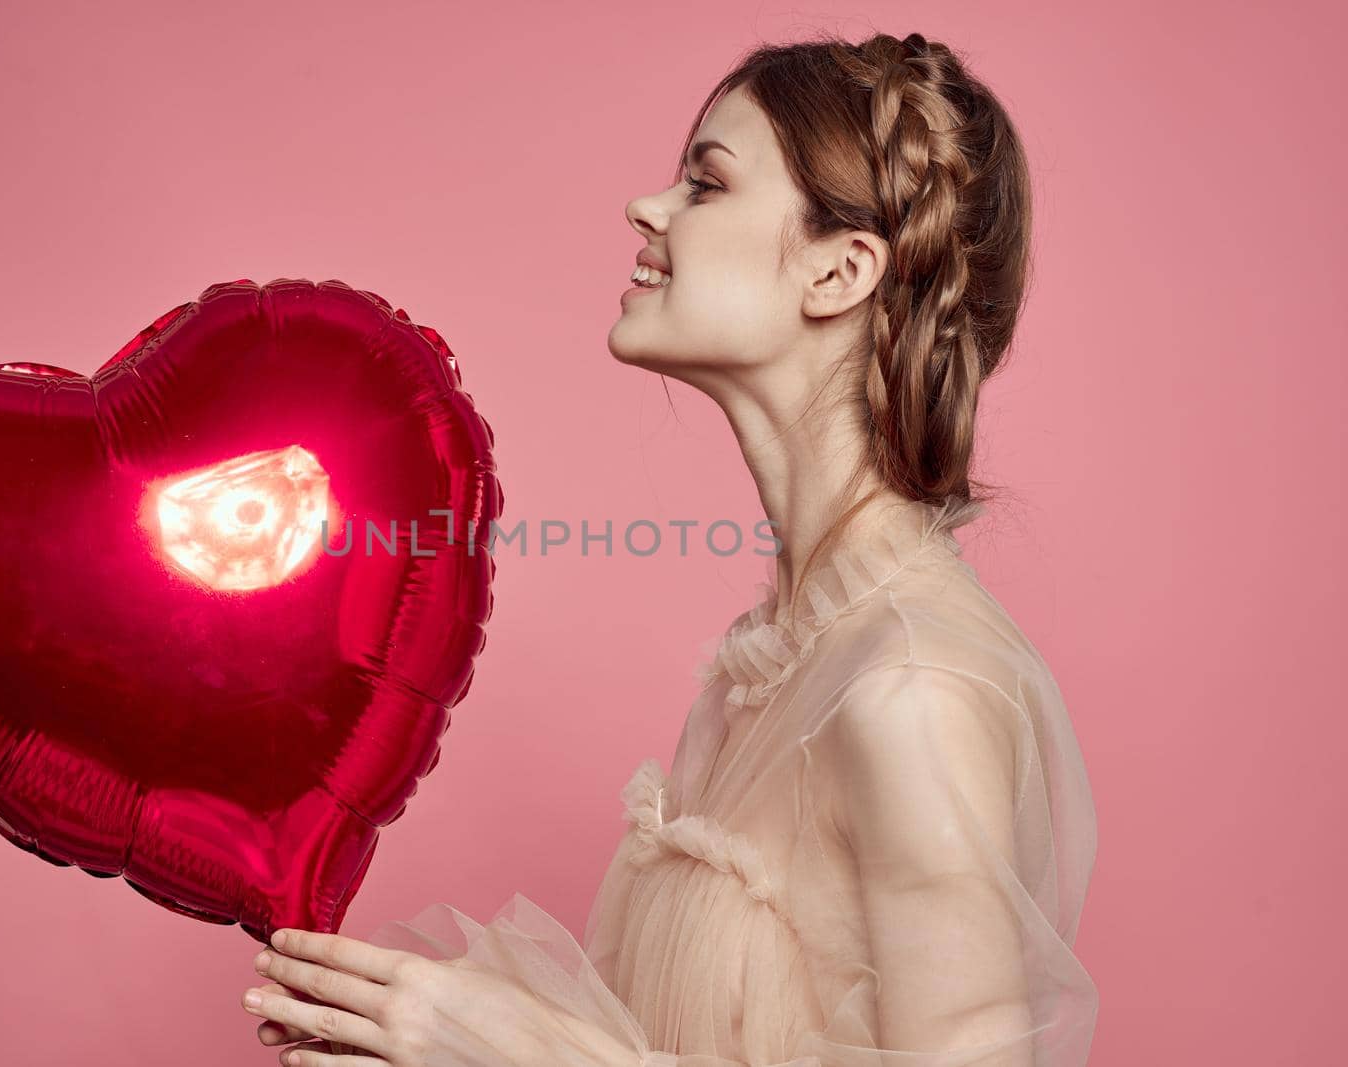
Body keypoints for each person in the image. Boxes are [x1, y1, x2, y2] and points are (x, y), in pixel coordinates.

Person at [239, 31, 1099, 1067]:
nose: (646, 209)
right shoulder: (774, 658)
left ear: (840, 269)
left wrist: (530, 1054)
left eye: (706, 182)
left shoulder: (907, 685)